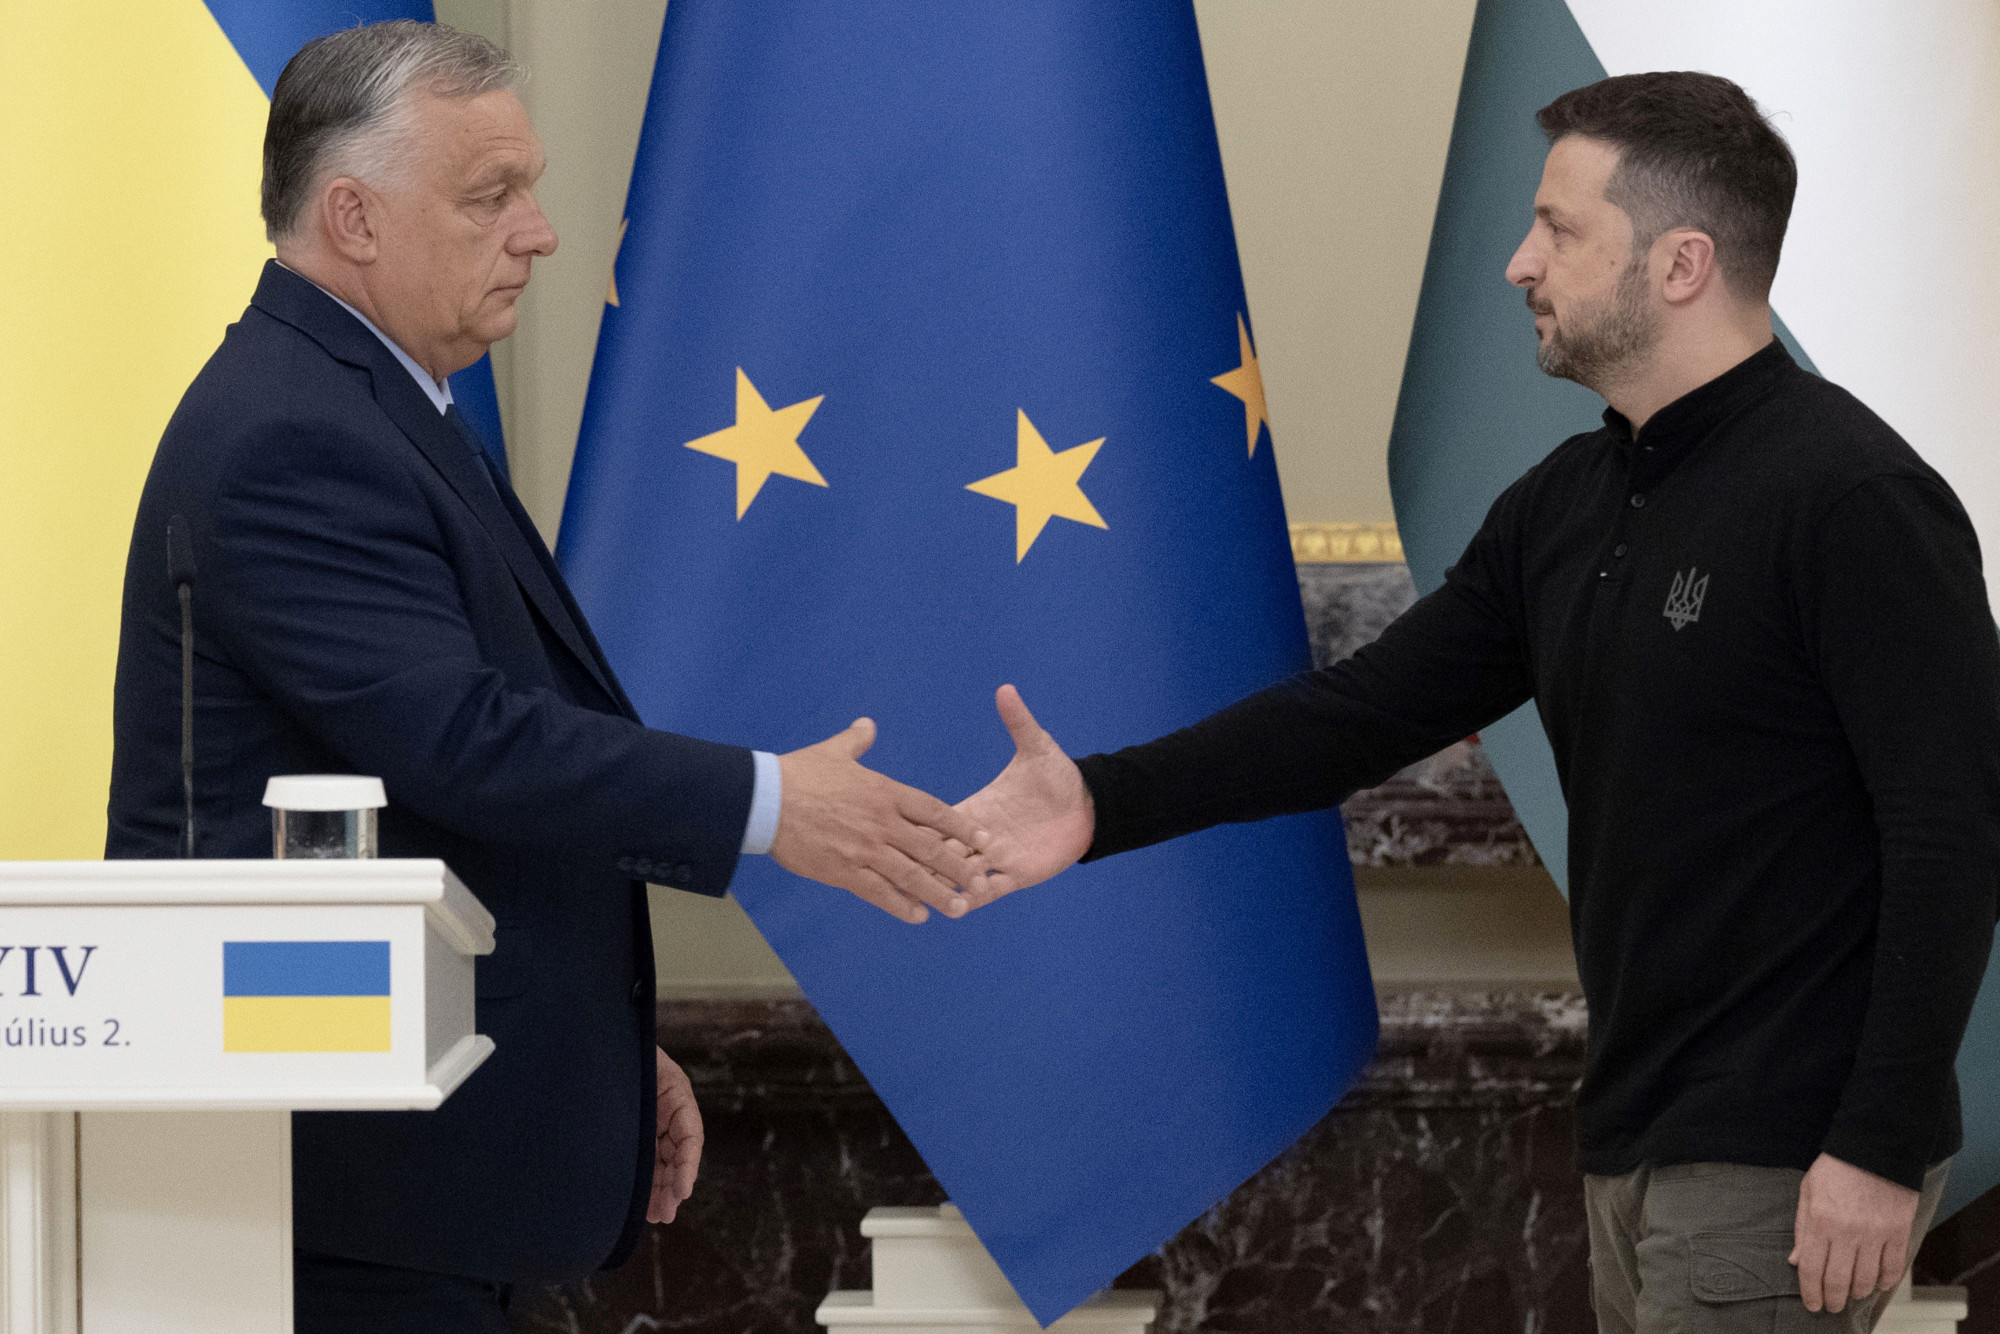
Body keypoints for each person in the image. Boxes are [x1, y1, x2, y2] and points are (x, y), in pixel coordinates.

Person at [958, 72, 2000, 1331]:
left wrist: (1877, 1142)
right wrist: (1098, 800)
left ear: (1680, 264)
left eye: (1557, 227)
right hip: (1634, 1128)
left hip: (1788, 1145)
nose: (1518, 262)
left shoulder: (1853, 498)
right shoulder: (1563, 502)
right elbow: (1356, 712)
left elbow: (1951, 833)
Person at [106, 21, 988, 1332]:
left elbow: (431, 815)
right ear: (354, 216)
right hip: (346, 1203)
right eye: (491, 195)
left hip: (416, 1167)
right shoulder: (291, 433)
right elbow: (468, 741)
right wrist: (770, 804)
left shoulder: (373, 405)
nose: (540, 233)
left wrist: (591, 1052)